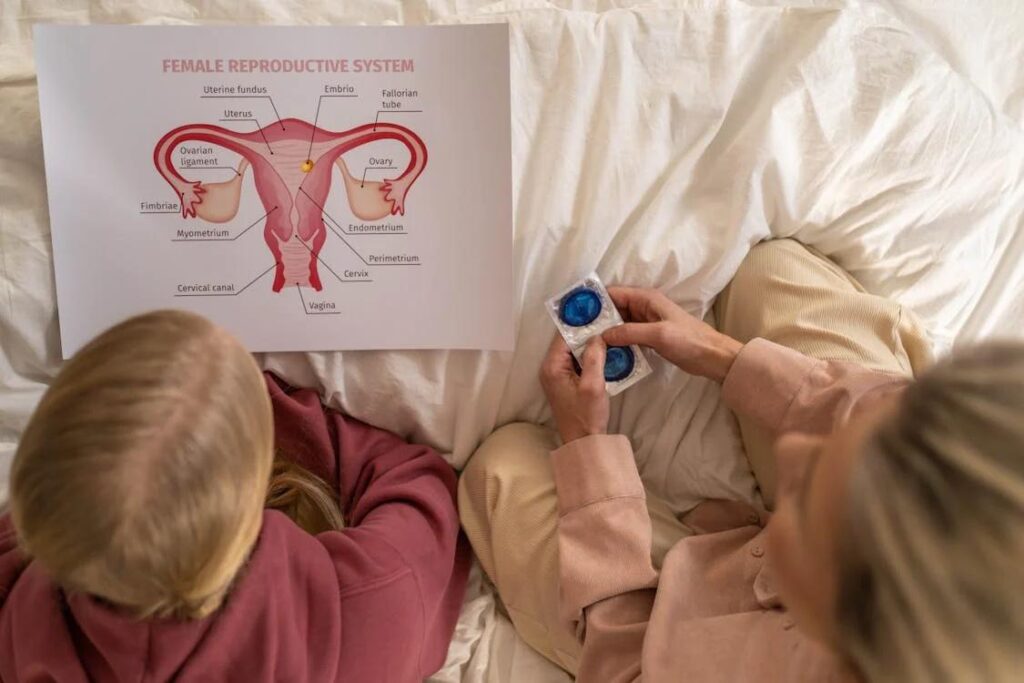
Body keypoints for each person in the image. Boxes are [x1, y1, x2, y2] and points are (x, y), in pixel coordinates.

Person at [460, 239, 1024, 681]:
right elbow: (879, 407)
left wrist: (589, 454)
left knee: (503, 467)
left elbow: (624, 663)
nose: (799, 448)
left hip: (677, 645)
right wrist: (725, 358)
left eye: (814, 516)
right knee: (772, 274)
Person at [0, 310, 470, 682]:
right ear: (259, 487)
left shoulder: (18, 607)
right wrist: (291, 416)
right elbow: (419, 489)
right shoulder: (363, 609)